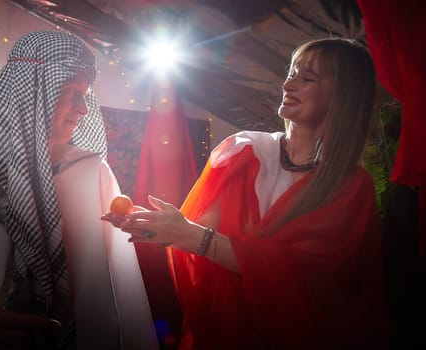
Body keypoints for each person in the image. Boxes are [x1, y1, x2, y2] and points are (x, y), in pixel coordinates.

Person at [102, 37, 390, 349]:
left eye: (307, 77)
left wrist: (189, 235)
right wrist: (163, 226)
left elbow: (316, 282)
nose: (288, 84)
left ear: (342, 97)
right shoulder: (243, 152)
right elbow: (198, 243)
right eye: (291, 73)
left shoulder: (350, 188)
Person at [0, 30, 157, 349]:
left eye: (85, 93)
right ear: (29, 92)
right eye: (69, 90)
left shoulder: (94, 175)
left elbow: (122, 291)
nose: (84, 109)